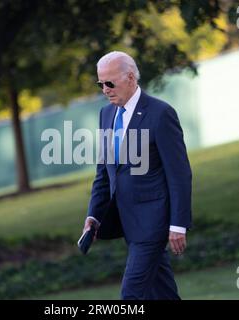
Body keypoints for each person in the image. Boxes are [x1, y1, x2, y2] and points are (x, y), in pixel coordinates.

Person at [81, 51, 192, 300]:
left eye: (110, 83)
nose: (105, 90)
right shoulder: (106, 115)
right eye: (101, 84)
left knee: (131, 296)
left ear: (130, 77)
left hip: (154, 224)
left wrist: (178, 225)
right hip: (129, 224)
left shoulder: (161, 114)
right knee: (163, 294)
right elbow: (104, 173)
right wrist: (94, 215)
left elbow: (180, 174)